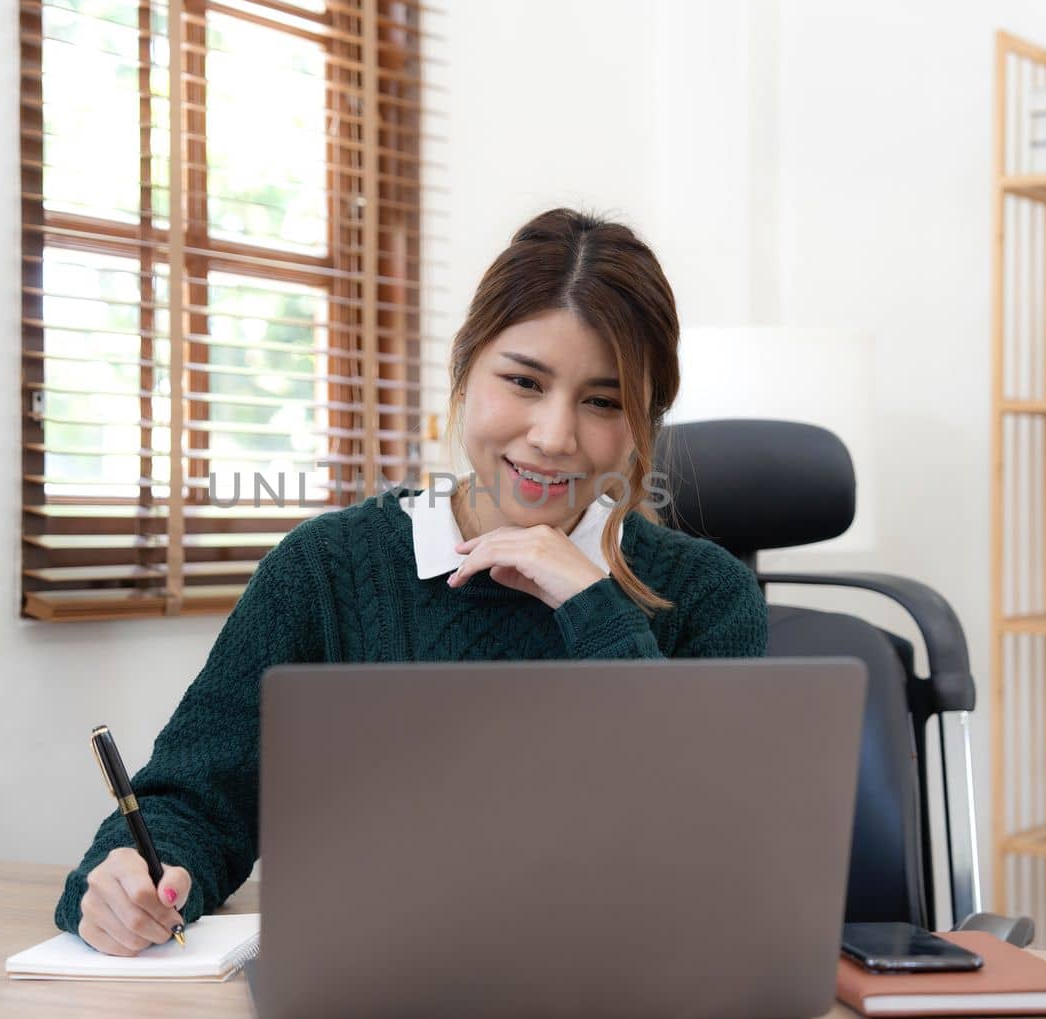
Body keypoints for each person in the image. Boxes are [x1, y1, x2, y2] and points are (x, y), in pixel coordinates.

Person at [53, 207, 769, 955]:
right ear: (465, 364)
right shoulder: (324, 569)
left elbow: (714, 863)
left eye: (604, 400)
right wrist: (133, 875)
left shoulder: (710, 597)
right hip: (378, 983)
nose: (555, 435)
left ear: (645, 418)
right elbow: (194, 802)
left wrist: (596, 606)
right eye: (524, 380)